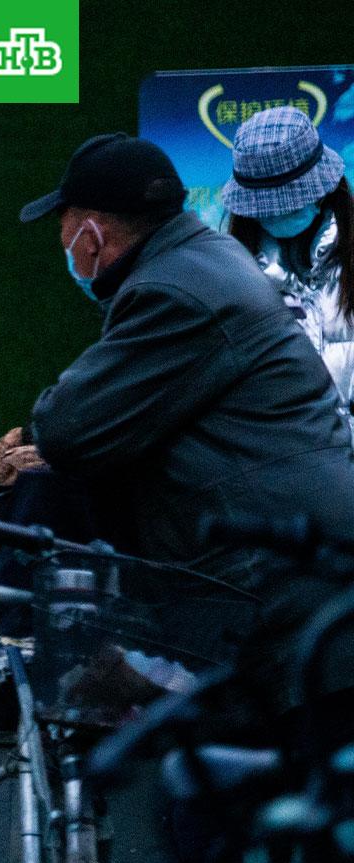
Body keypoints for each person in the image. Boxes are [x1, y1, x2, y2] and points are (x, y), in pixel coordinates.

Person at [22, 132, 354, 716]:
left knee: (273, 757)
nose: (65, 246)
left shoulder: (174, 291)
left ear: (91, 233)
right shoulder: (207, 259)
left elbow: (66, 427)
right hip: (294, 559)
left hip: (272, 573)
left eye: (64, 229)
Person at [222, 106, 352, 433]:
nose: (276, 214)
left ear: (323, 191)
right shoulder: (230, 277)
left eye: (288, 203)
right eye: (265, 208)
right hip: (277, 457)